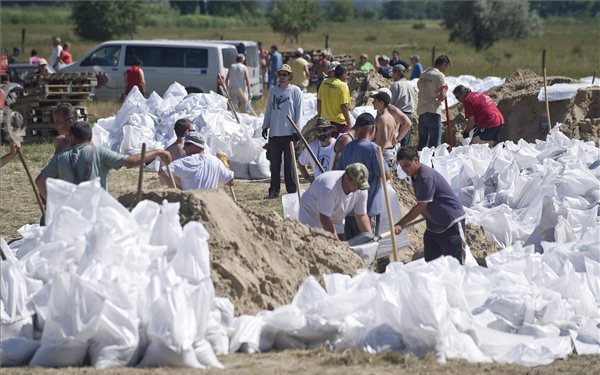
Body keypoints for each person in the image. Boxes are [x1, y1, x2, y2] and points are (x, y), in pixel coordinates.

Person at [35, 121, 171, 200]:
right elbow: (132, 161)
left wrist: (53, 202)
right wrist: (158, 152)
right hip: (97, 210)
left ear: (72, 137)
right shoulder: (99, 153)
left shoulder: (61, 157)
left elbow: (39, 181)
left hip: (72, 212)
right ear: (90, 137)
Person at [394, 146, 466, 264]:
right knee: (432, 264)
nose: (405, 169)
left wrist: (401, 224)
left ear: (416, 161)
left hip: (451, 224)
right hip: (434, 227)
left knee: (455, 265)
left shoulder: (425, 176)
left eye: (407, 165)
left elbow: (421, 205)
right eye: (402, 167)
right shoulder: (414, 176)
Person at [336, 113, 390, 238]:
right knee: (368, 246)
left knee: (352, 249)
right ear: (373, 129)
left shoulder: (348, 147)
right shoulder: (373, 149)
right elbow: (385, 174)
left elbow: (340, 172)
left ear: (358, 128)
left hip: (349, 209)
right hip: (369, 209)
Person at [261, 64, 303, 199]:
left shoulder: (295, 91)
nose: (282, 77)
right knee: (274, 164)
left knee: (289, 164)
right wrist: (265, 126)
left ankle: (291, 190)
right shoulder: (273, 91)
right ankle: (274, 190)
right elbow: (269, 109)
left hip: (289, 133)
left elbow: (299, 111)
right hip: (275, 133)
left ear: (290, 76)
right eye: (280, 74)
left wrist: (298, 129)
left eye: (285, 74)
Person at [299, 163, 371, 240]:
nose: (357, 188)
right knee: (318, 243)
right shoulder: (330, 188)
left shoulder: (360, 189)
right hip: (312, 215)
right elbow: (324, 217)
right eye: (355, 185)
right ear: (346, 178)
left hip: (335, 216)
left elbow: (361, 215)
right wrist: (337, 244)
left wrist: (370, 238)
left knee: (341, 242)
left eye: (360, 186)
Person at [158, 132, 234, 191]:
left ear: (195, 145)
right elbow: (230, 181)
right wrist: (225, 164)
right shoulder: (216, 161)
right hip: (209, 205)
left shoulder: (186, 162)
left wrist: (174, 190)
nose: (184, 148)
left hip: (191, 204)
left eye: (186, 145)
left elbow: (162, 172)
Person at [416, 55, 450, 150]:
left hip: (422, 111)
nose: (445, 69)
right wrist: (439, 98)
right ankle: (434, 163)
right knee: (435, 144)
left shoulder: (423, 74)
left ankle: (420, 161)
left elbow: (419, 87)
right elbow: (442, 95)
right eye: (446, 66)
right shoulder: (439, 76)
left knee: (422, 142)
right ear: (443, 64)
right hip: (433, 110)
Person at [317, 64, 352, 139]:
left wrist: (319, 116)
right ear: (344, 73)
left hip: (325, 121)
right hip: (338, 123)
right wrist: (349, 124)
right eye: (346, 74)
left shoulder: (324, 82)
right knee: (338, 146)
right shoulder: (343, 86)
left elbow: (319, 101)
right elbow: (344, 106)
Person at [298, 118, 336, 183]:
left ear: (330, 130)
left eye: (324, 130)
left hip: (333, 183)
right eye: (319, 131)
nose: (322, 133)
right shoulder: (311, 147)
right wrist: (307, 177)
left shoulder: (337, 145)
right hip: (318, 184)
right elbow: (300, 162)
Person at [371, 89, 398, 171]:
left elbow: (384, 139)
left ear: (381, 103)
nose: (372, 103)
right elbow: (393, 138)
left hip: (384, 152)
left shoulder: (382, 118)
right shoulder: (391, 117)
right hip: (391, 151)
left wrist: (378, 155)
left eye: (375, 101)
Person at [390, 64, 417, 145]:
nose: (392, 75)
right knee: (405, 143)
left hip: (398, 116)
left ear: (396, 73)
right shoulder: (410, 85)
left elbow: (390, 102)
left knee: (395, 142)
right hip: (409, 116)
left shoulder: (396, 85)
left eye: (393, 73)